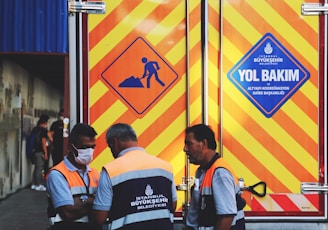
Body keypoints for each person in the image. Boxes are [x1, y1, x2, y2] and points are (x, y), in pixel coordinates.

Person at [92, 123, 177, 229]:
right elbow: (172, 205)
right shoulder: (165, 167)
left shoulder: (110, 170)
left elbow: (100, 218)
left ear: (114, 142)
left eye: (110, 147)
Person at [184, 124, 245, 230]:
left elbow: (227, 217)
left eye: (189, 144)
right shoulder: (203, 171)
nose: (185, 149)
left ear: (203, 144)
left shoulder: (220, 173)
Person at [46, 123, 100, 230]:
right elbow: (67, 213)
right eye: (85, 147)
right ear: (71, 147)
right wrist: (93, 202)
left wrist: (82, 201)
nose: (89, 151)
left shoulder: (95, 173)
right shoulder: (57, 174)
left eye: (92, 147)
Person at [31, 114, 49, 191]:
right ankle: (38, 184)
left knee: (36, 168)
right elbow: (43, 142)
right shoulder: (44, 130)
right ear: (45, 122)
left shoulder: (34, 129)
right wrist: (45, 152)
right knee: (40, 167)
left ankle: (34, 184)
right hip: (40, 151)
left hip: (33, 151)